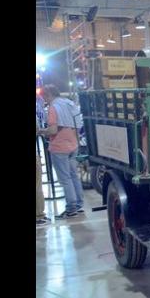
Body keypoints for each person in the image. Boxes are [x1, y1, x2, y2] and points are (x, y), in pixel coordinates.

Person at [37, 84, 85, 219]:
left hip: (59, 147)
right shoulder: (70, 103)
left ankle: (71, 208)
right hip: (73, 145)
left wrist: (41, 131)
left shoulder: (53, 107)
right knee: (74, 176)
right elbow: (78, 125)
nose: (44, 100)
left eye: (44, 97)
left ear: (48, 95)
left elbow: (53, 130)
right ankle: (79, 205)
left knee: (65, 179)